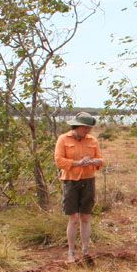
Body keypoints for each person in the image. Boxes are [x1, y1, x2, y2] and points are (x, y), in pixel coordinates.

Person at [54, 112, 104, 263]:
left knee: (86, 217)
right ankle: (71, 252)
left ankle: (85, 251)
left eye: (89, 128)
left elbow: (101, 160)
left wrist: (94, 162)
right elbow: (59, 161)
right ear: (77, 126)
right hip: (70, 181)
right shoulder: (63, 139)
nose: (88, 130)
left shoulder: (92, 140)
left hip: (88, 180)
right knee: (74, 217)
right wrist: (77, 163)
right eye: (85, 127)